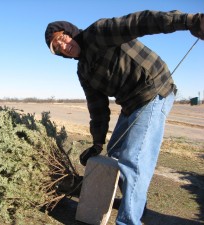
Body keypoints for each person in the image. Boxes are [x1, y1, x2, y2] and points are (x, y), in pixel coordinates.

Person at [44, 10, 204, 225]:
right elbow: (98, 108)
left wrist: (190, 21)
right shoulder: (83, 71)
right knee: (116, 152)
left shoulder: (98, 33)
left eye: (62, 38)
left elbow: (141, 22)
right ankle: (138, 205)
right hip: (130, 103)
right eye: (57, 48)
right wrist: (97, 142)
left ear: (71, 32)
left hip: (154, 90)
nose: (63, 46)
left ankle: (128, 220)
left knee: (134, 159)